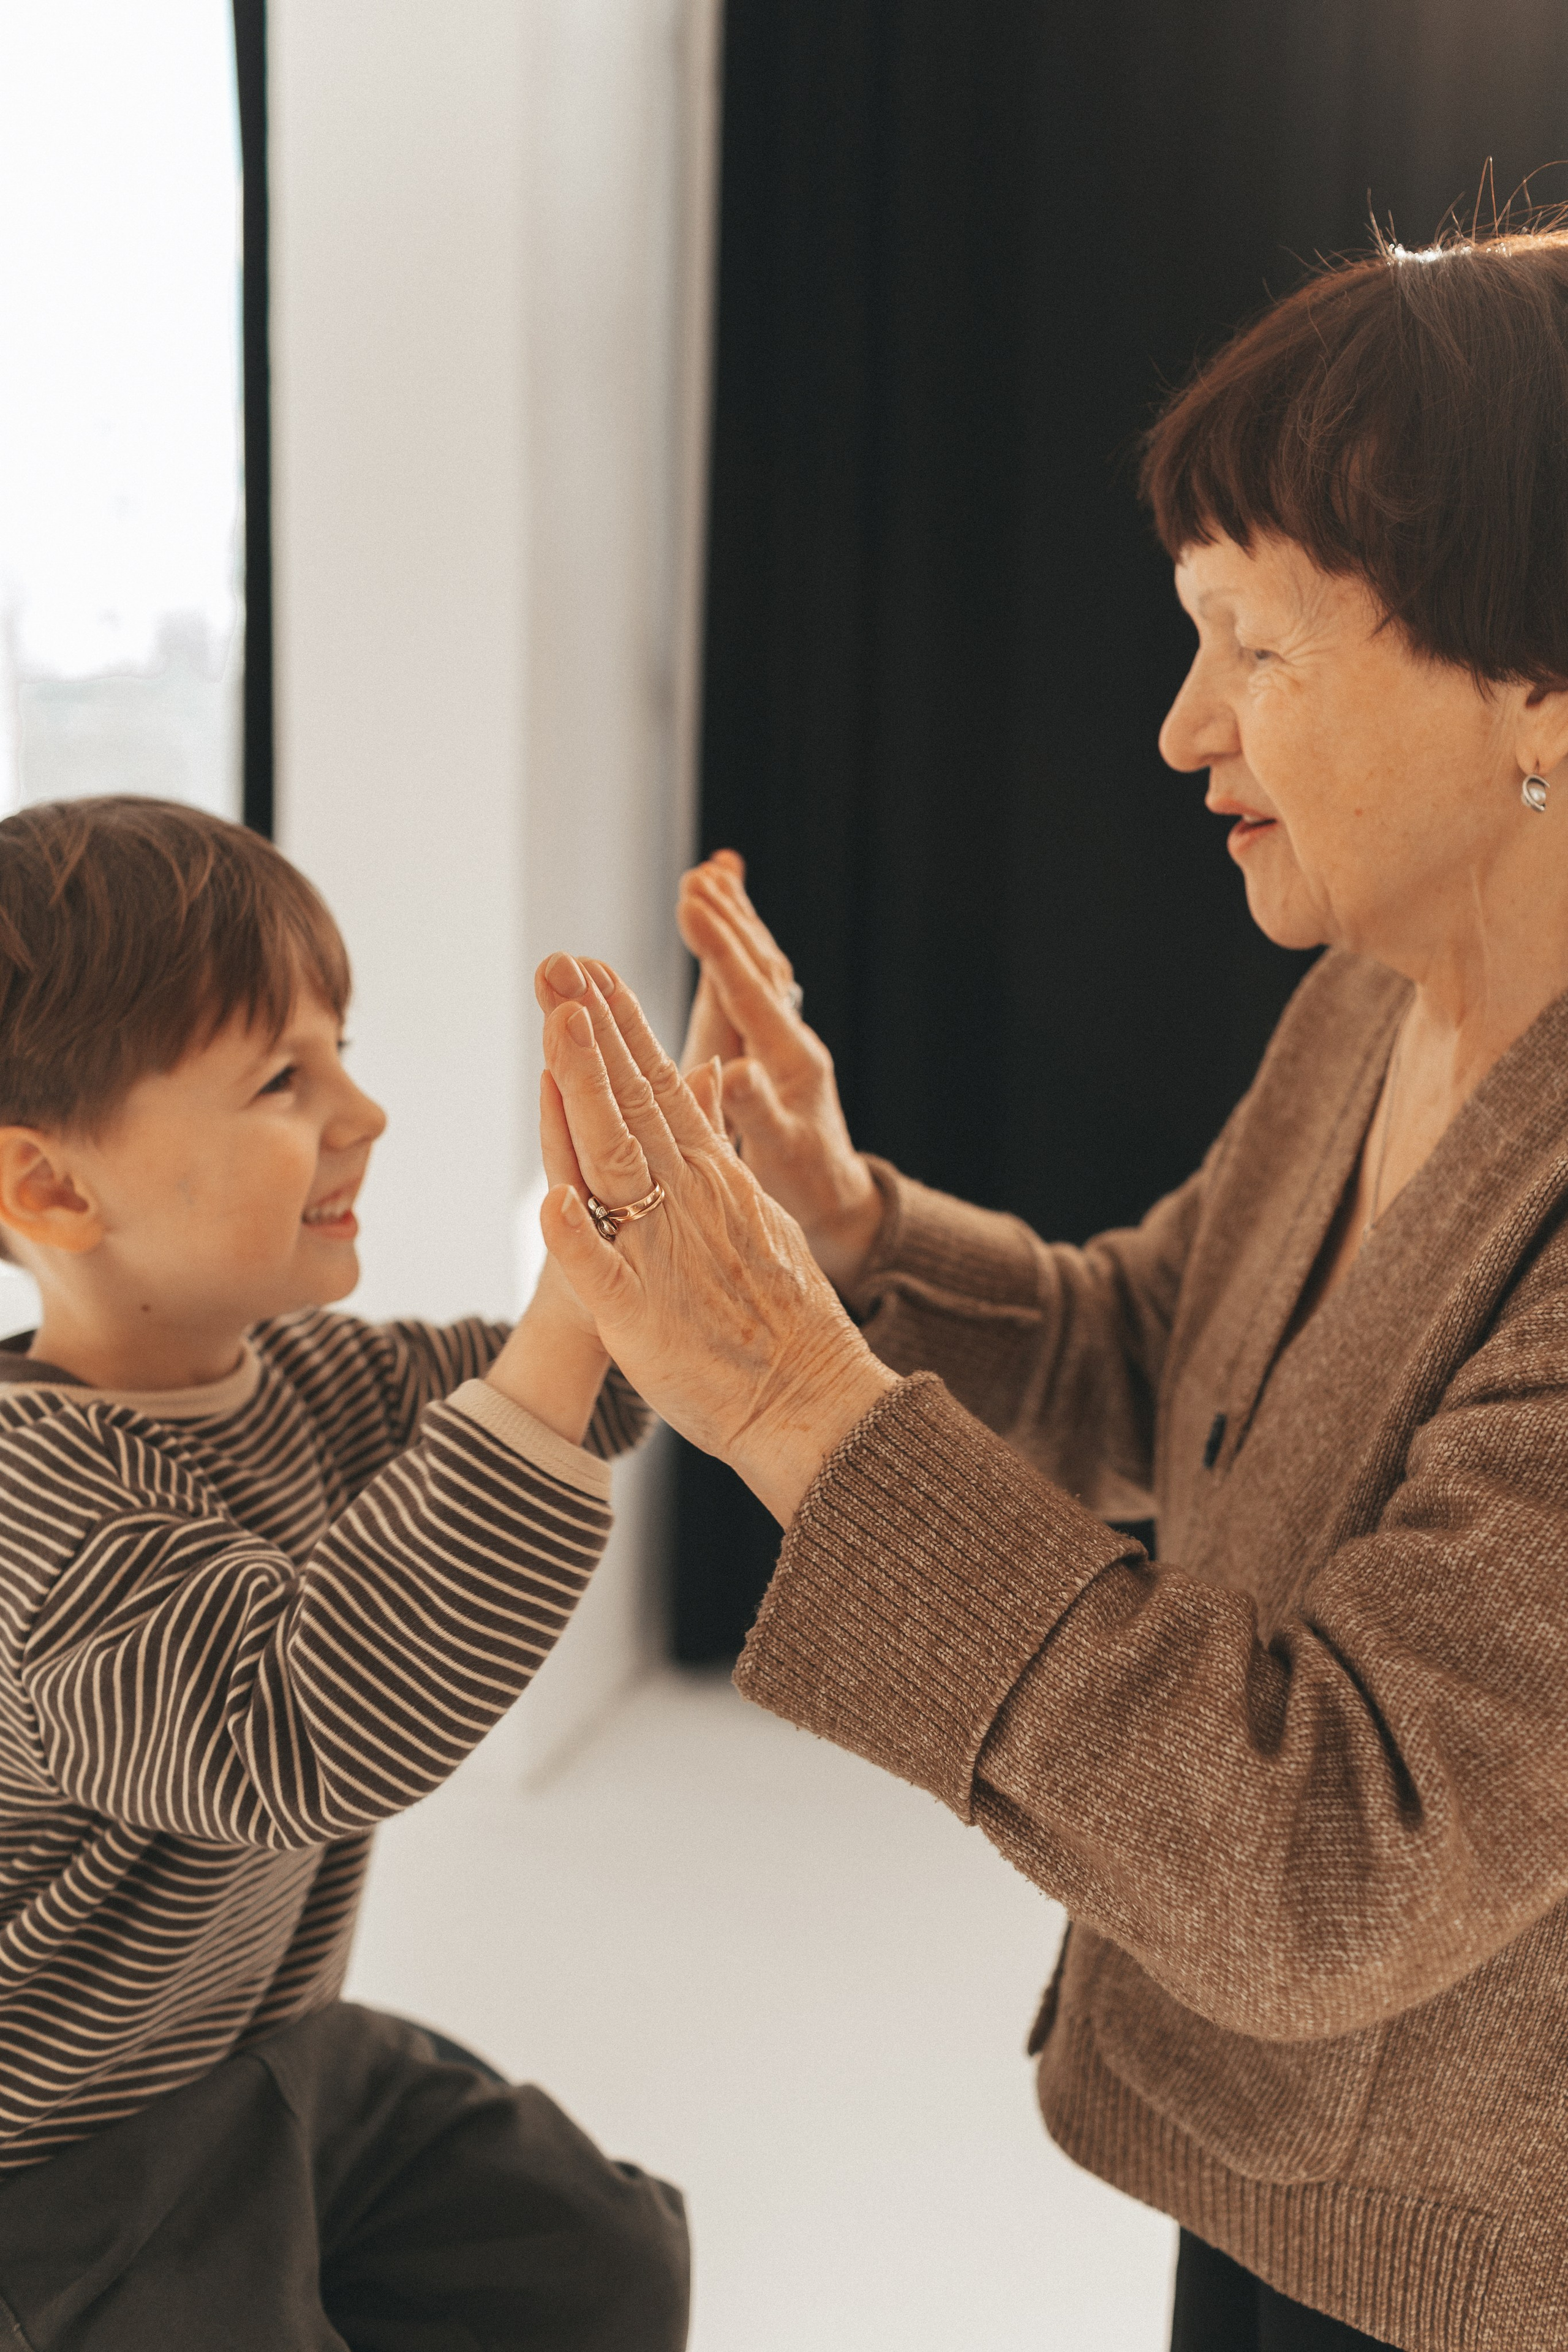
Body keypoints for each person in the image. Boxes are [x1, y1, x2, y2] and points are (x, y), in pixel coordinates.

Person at [532, 225, 1568, 2351]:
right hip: (1275, 2173)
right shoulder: (1380, 997)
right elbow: (1163, 1358)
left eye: (1258, 648)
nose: (1186, 723)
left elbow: (1333, 1854)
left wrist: (793, 1403)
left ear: (1537, 682)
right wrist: (850, 1239)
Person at [0, 797, 689, 2352]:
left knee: (591, 2257)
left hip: (262, 2052)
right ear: (52, 1192)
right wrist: (579, 1303)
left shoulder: (309, 1380)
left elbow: (575, 1386)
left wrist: (714, 1197)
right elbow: (295, 1729)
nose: (362, 1114)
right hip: (60, 2171)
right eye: (280, 1081)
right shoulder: (35, 1520)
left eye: (343, 1052)